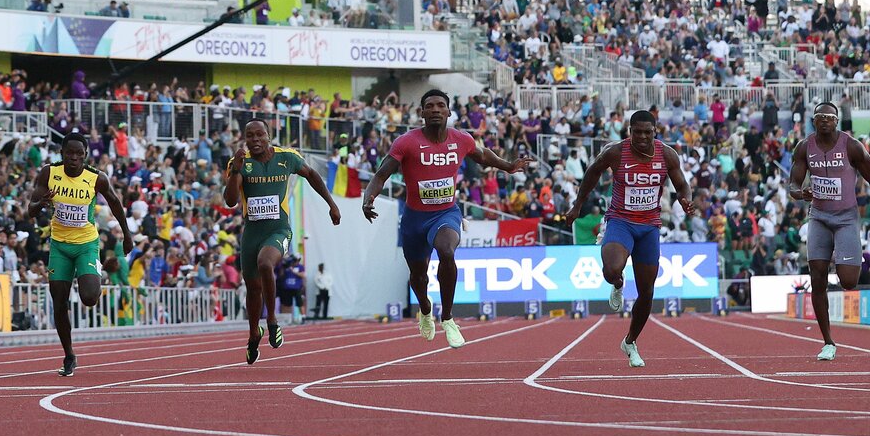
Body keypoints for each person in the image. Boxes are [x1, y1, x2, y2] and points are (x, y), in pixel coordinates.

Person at [361, 89, 533, 349]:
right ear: (421, 113)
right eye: (429, 106)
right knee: (418, 277)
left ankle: (449, 318)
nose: (435, 109)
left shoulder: (460, 139)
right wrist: (369, 198)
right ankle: (425, 308)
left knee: (446, 250)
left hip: (445, 213)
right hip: (414, 219)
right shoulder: (406, 142)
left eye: (440, 105)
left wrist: (508, 166)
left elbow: (483, 155)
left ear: (449, 111)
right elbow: (381, 174)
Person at [563, 111, 694, 368]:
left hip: (649, 227)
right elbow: (592, 172)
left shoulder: (667, 155)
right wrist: (577, 206)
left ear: (655, 132)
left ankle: (630, 341)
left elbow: (682, 185)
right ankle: (618, 283)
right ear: (629, 131)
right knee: (612, 270)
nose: (642, 137)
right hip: (620, 221)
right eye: (637, 132)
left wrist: (685, 200)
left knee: (647, 292)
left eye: (648, 132)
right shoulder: (616, 152)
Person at [224, 119, 340, 365]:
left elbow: (312, 175)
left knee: (266, 263)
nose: (255, 140)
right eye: (250, 136)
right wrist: (235, 171)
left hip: (278, 230)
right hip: (252, 234)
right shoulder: (240, 163)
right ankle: (253, 334)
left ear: (269, 135)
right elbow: (231, 201)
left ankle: (272, 320)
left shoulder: (287, 157)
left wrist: (331, 204)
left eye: (260, 135)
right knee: (252, 289)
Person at [787, 102, 870, 361]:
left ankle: (841, 256)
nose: (824, 120)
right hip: (819, 217)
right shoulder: (804, 148)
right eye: (819, 116)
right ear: (813, 120)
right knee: (817, 278)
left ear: (837, 121)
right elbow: (793, 183)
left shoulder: (852, 146)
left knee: (848, 281)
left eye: (829, 117)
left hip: (845, 219)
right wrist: (800, 193)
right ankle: (828, 342)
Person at [26, 132, 132, 376]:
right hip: (59, 246)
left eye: (78, 154)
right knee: (59, 301)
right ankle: (69, 355)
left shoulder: (96, 178)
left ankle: (97, 274)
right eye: (69, 153)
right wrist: (41, 203)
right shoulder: (49, 173)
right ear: (62, 153)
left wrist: (127, 235)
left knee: (89, 297)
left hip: (86, 244)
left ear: (85, 156)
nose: (73, 158)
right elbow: (31, 210)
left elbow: (115, 204)